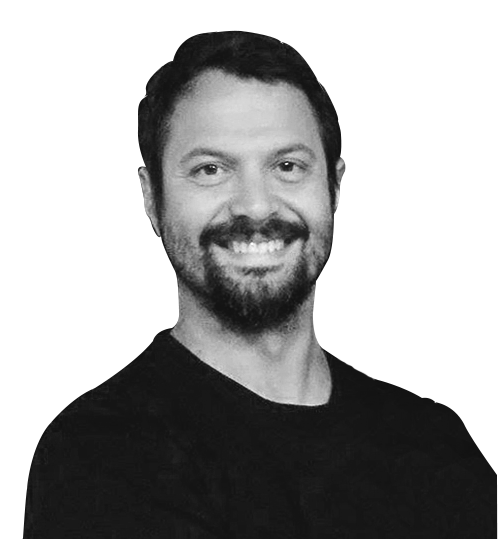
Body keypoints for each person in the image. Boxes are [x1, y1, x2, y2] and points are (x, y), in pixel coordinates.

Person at [25, 32, 495, 538]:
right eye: (210, 169)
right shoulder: (101, 454)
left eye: (287, 166)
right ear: (151, 198)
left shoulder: (439, 445)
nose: (255, 205)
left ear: (335, 186)